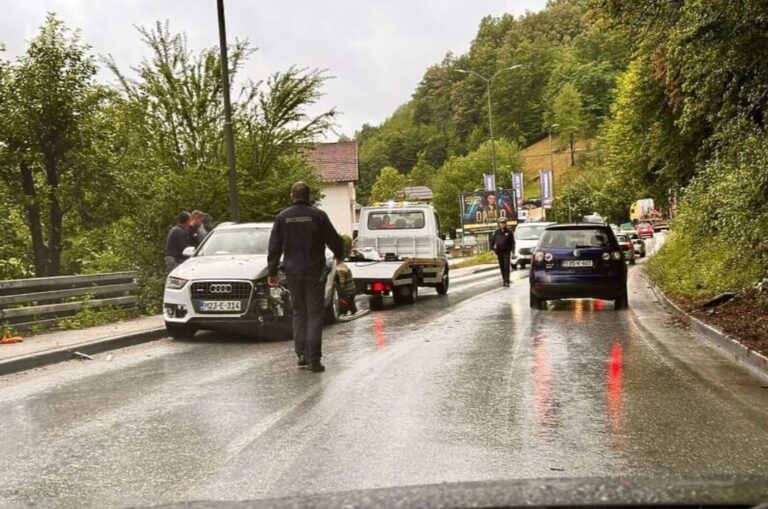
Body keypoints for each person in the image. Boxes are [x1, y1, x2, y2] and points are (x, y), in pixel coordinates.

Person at [268, 181, 344, 373]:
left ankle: (301, 355)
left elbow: (274, 246)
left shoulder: (282, 217)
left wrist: (272, 272)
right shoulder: (318, 215)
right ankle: (314, 359)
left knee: (299, 312)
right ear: (308, 196)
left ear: (291, 195)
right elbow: (334, 239)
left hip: (293, 272)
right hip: (314, 272)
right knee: (315, 314)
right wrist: (339, 254)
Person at [490, 217, 515, 287]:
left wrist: (513, 252)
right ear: (499, 224)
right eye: (501, 223)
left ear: (506, 224)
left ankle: (507, 281)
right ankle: (504, 280)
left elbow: (513, 243)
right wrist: (491, 249)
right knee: (502, 267)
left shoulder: (509, 232)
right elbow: (492, 241)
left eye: (504, 223)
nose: (502, 224)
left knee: (506, 266)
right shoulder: (496, 232)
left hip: (507, 252)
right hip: (499, 252)